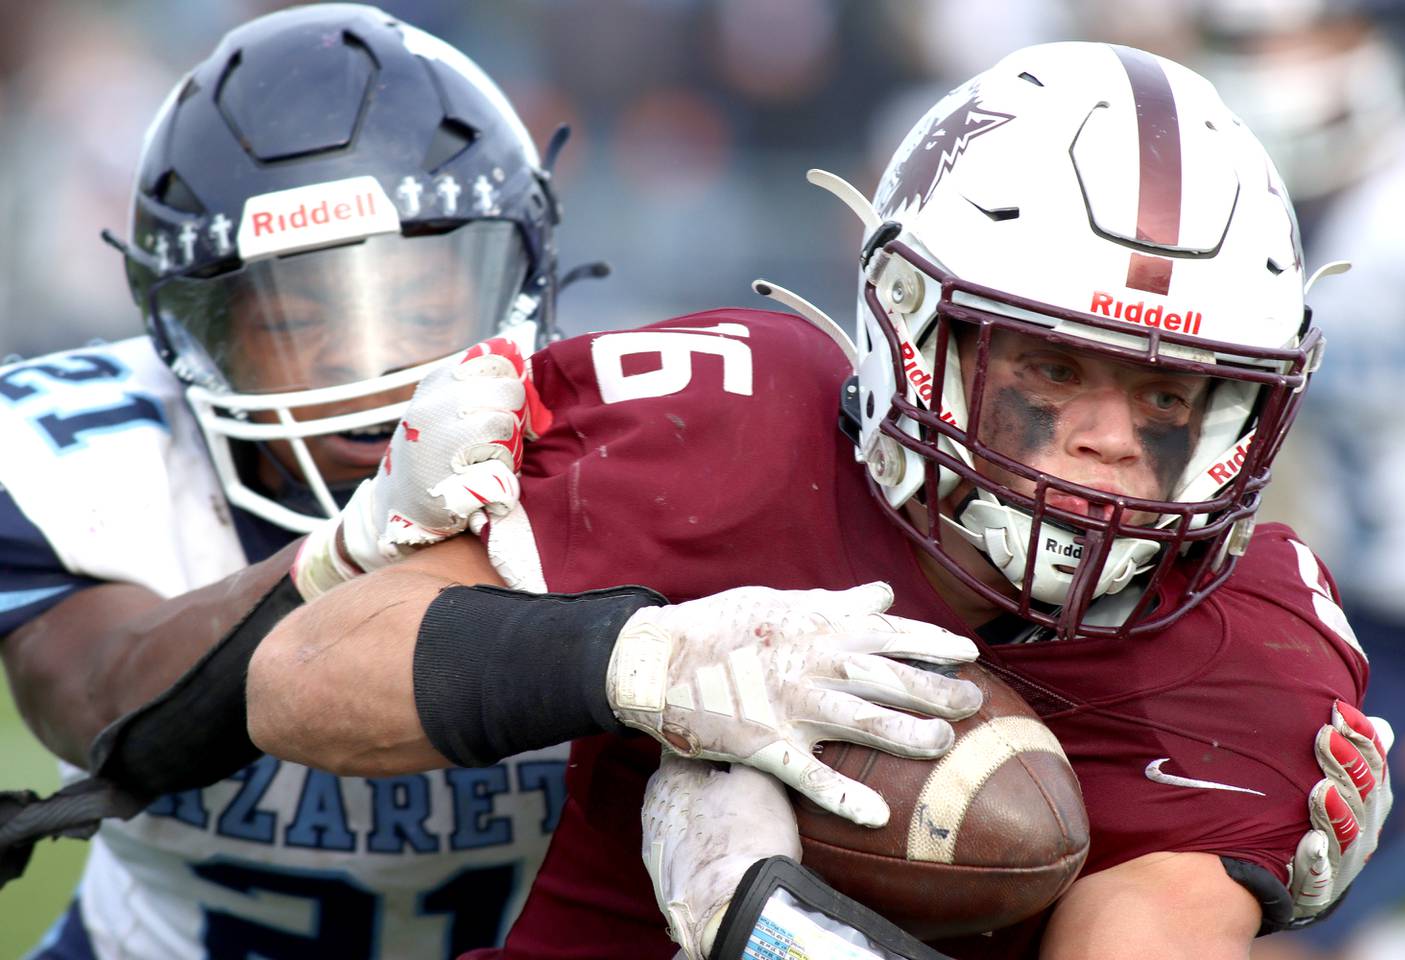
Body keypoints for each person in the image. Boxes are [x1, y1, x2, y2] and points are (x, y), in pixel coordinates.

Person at [241, 41, 1393, 958]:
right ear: (916, 334)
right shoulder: (740, 425)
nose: (1107, 436)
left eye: (1170, 392)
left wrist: (774, 932)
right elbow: (297, 682)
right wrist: (640, 662)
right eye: (1050, 368)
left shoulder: (1254, 637)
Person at [0, 6, 984, 958]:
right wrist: (347, 551)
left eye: (422, 301)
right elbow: (99, 699)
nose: (367, 367)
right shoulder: (85, 448)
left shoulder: (646, 439)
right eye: (299, 319)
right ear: (193, 329)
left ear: (523, 274)